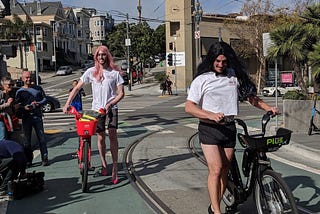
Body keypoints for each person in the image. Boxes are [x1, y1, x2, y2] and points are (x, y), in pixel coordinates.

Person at [185, 41, 278, 214]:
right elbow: (189, 107)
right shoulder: (202, 79)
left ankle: (216, 203)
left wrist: (268, 108)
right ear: (211, 60)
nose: (221, 65)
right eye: (217, 61)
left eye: (224, 62)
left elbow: (251, 97)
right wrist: (210, 115)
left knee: (225, 170)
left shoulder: (234, 76)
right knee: (216, 169)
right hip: (209, 129)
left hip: (228, 127)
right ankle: (216, 210)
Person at [63, 45, 125, 185]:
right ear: (95, 57)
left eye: (104, 54)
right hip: (96, 111)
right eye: (98, 55)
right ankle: (104, 164)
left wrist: (110, 104)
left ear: (107, 56)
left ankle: (114, 166)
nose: (101, 57)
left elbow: (121, 93)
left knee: (113, 136)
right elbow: (77, 88)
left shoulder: (115, 73)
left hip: (111, 109)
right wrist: (67, 103)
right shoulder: (91, 72)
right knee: (101, 137)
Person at [15, 70, 48, 167]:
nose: (28, 79)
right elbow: (17, 106)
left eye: (30, 77)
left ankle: (44, 158)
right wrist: (23, 108)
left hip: (37, 116)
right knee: (26, 142)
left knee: (42, 139)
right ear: (22, 79)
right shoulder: (19, 92)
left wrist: (39, 103)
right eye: (26, 78)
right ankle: (29, 160)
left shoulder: (38, 88)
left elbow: (45, 99)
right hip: (26, 118)